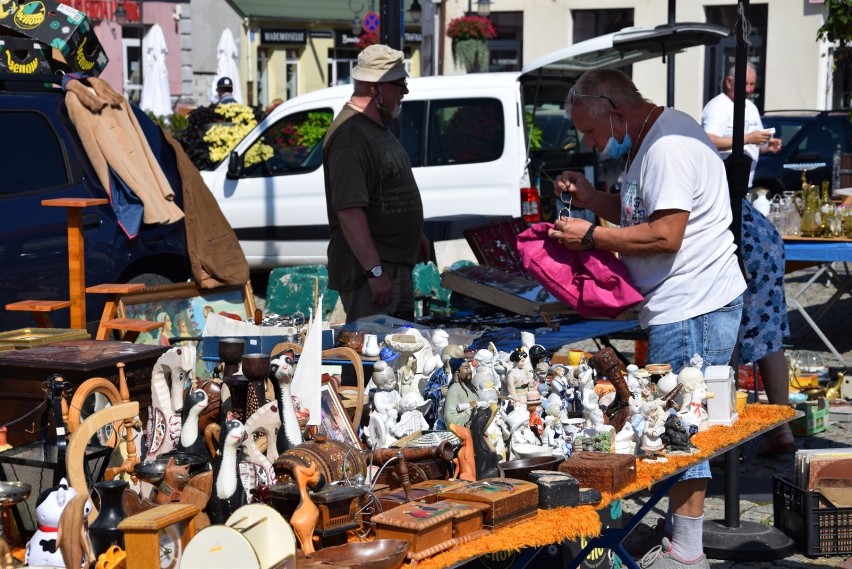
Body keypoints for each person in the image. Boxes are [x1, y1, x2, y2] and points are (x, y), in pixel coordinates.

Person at [550, 69, 746, 569]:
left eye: (592, 132)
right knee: (677, 422)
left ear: (615, 109)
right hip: (683, 304)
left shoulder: (667, 147)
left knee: (681, 427)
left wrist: (591, 237)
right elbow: (643, 212)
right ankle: (680, 532)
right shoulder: (650, 138)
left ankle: (687, 552)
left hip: (692, 306)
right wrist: (595, 203)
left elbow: (665, 235)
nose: (591, 144)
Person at [701, 64, 794, 455]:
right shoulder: (716, 109)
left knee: (727, 339)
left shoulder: (712, 193)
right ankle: (782, 430)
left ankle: (727, 440)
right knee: (768, 338)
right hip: (763, 239)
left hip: (746, 246)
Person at [322, 44, 430, 324]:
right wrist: (375, 272)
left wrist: (413, 234)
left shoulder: (374, 125)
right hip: (371, 274)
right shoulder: (349, 136)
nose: (405, 91)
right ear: (375, 88)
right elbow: (349, 211)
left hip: (393, 264)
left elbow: (387, 186)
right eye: (399, 84)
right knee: (374, 359)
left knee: (401, 357)